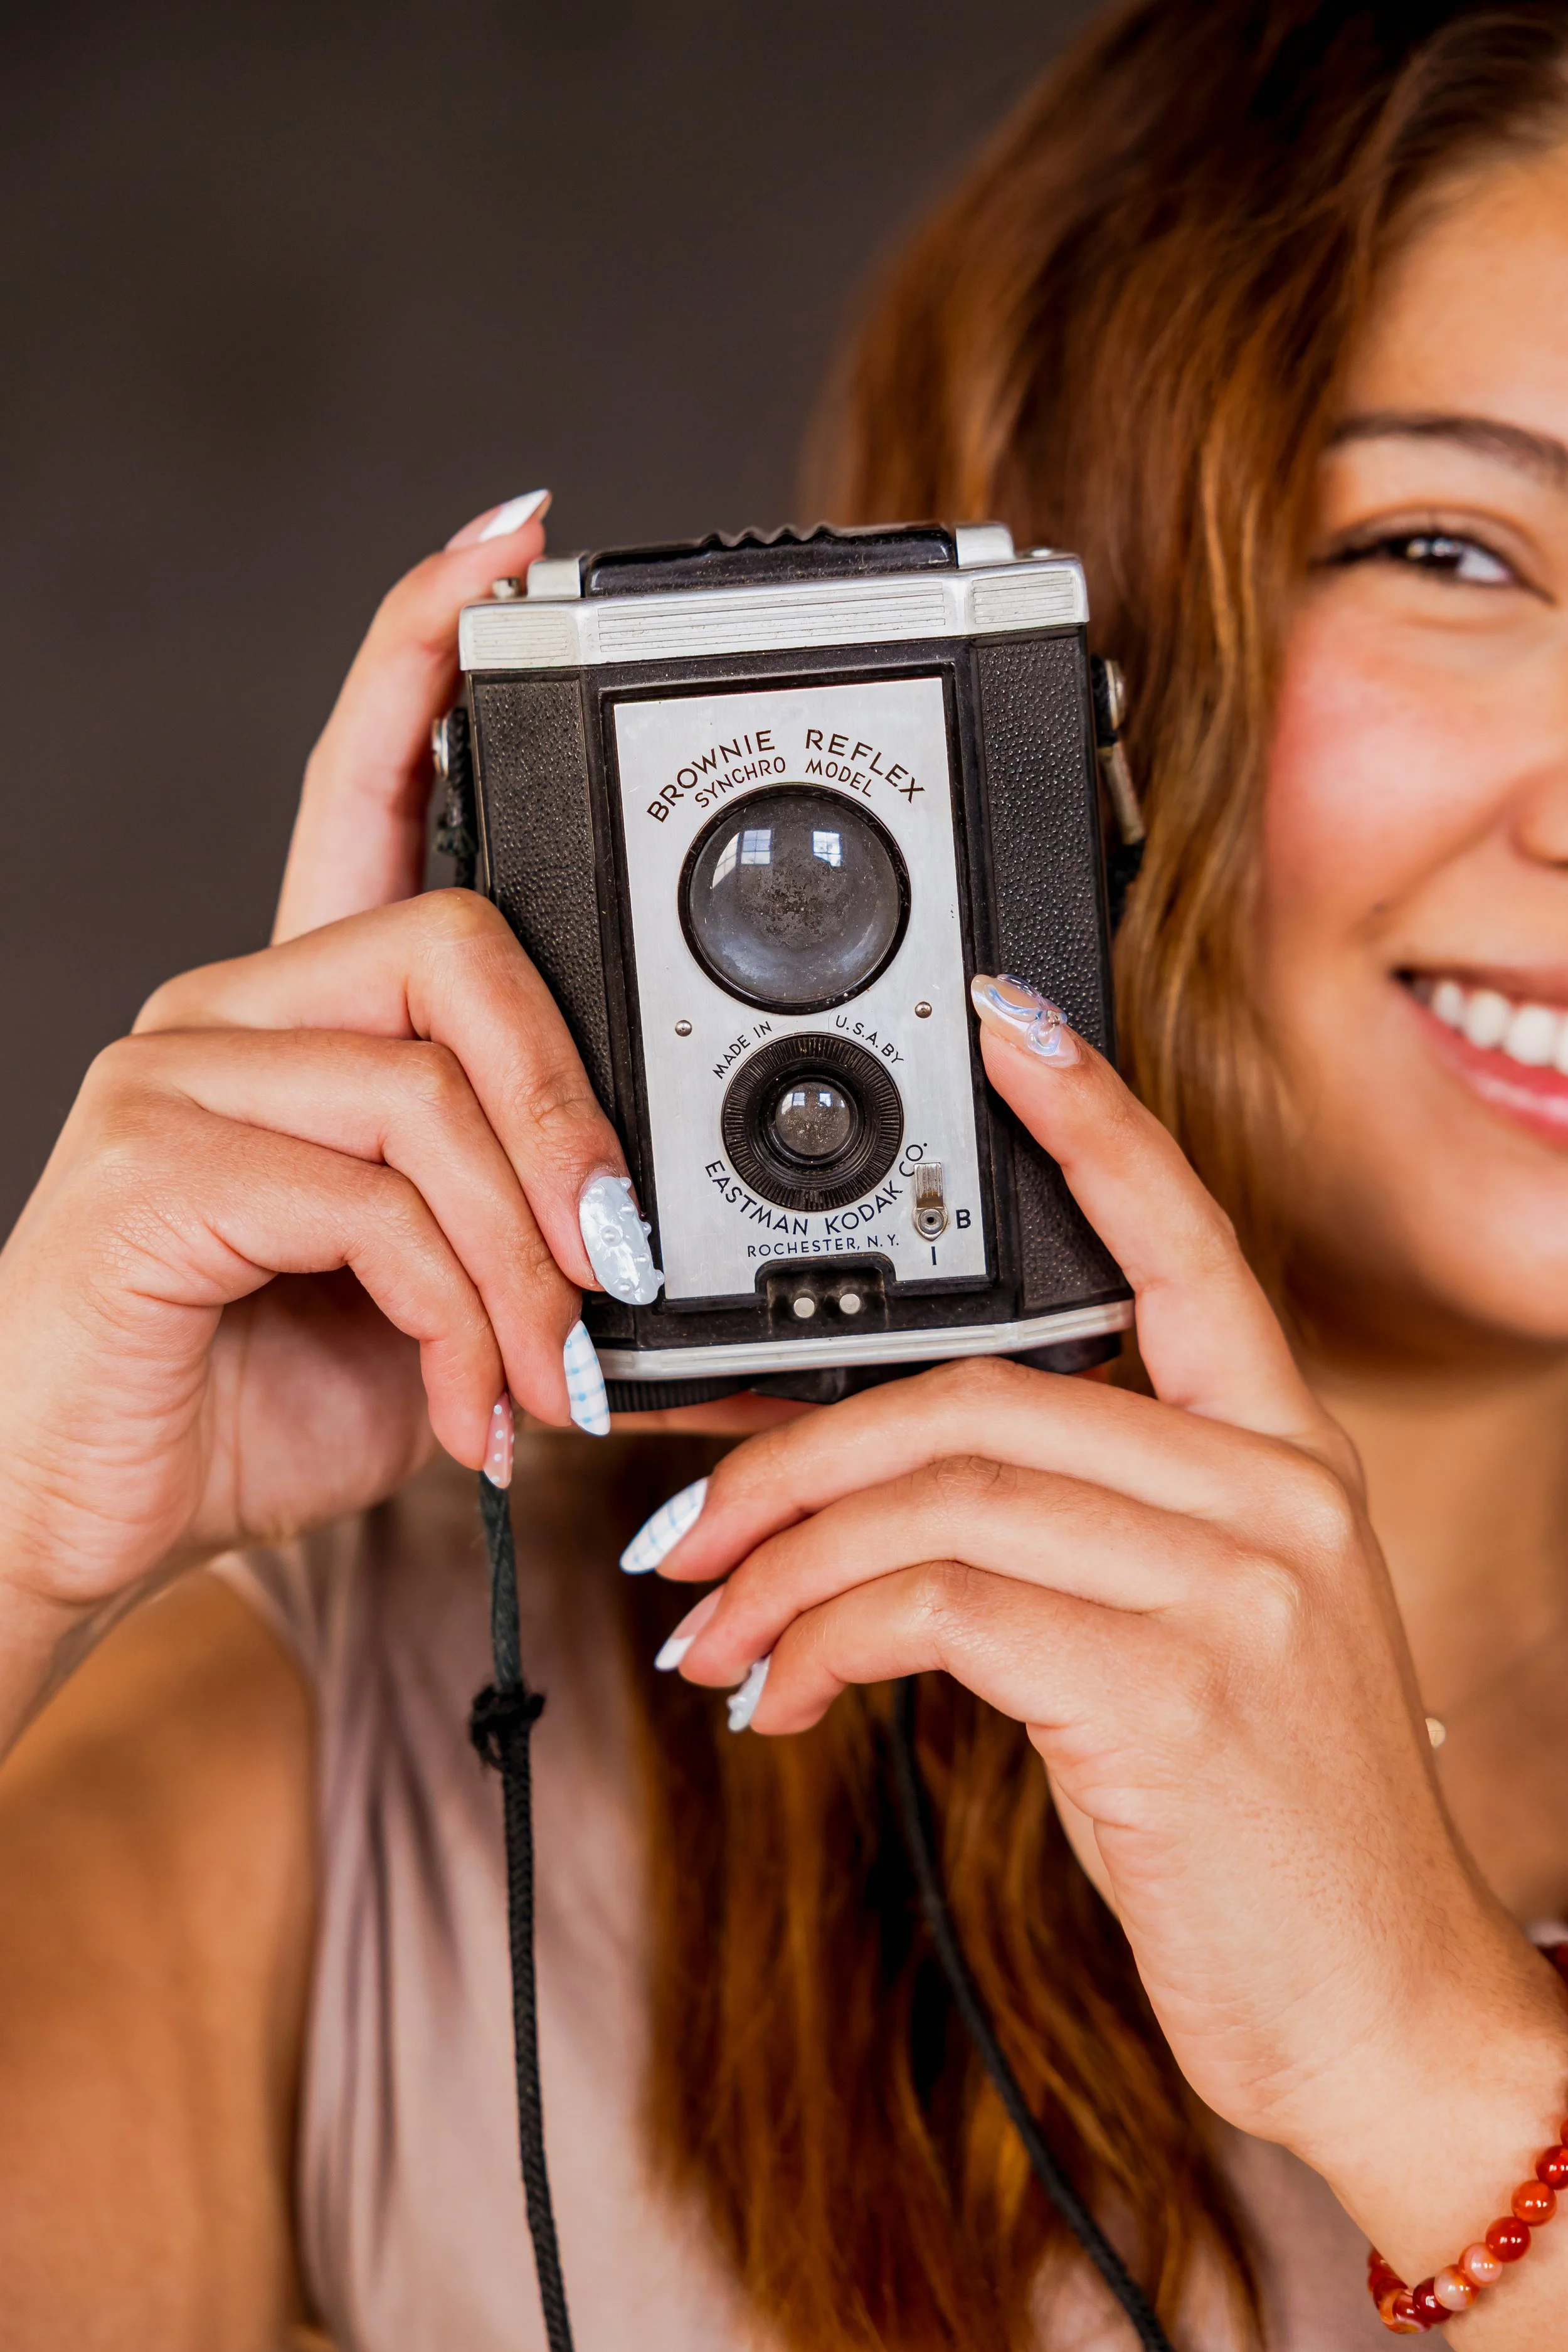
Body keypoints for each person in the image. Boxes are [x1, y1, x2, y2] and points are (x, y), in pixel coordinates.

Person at [2, 0, 1567, 2342]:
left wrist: (1438, 2075)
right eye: (1454, 549)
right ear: (1046, 657)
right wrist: (11, 1537)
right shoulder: (355, 1761)